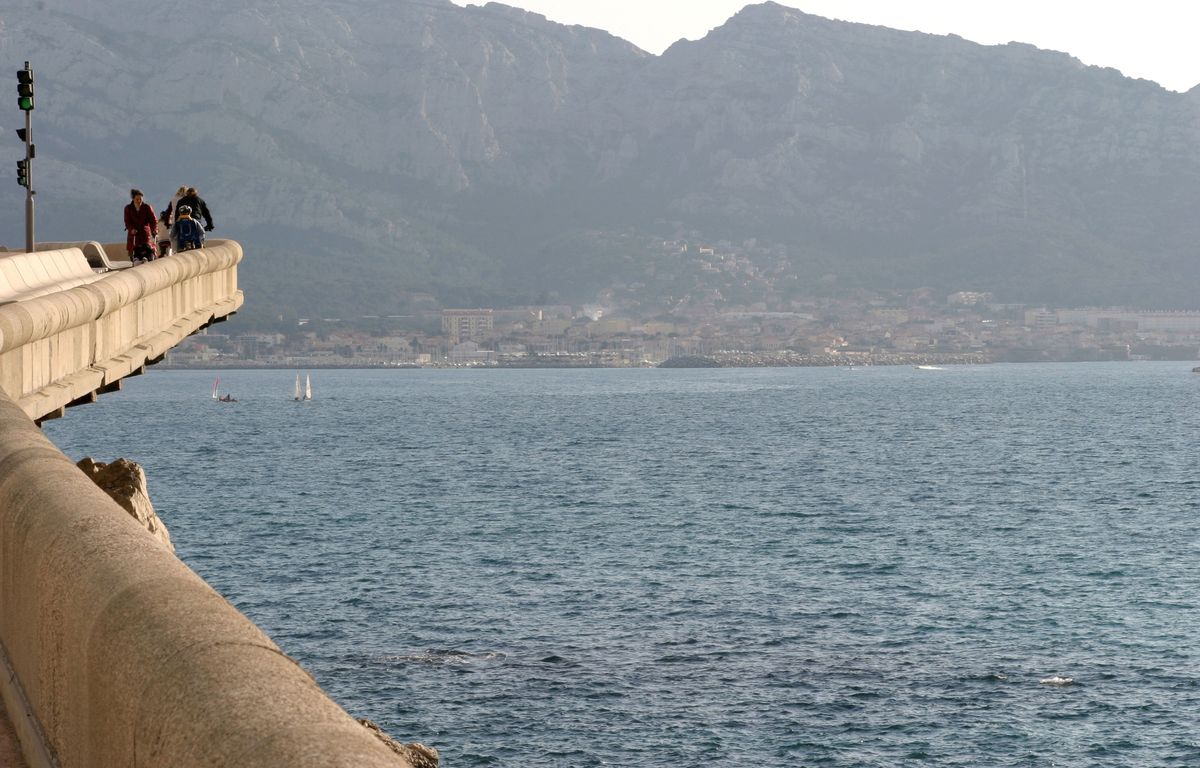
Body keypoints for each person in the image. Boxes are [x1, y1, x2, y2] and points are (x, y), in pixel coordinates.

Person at [124, 188, 158, 263]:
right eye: (137, 199)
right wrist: (131, 229)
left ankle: (148, 258)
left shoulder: (147, 207)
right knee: (134, 251)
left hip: (145, 234)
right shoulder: (128, 208)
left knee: (148, 249)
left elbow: (153, 220)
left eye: (140, 199)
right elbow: (127, 222)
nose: (139, 201)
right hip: (134, 235)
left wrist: (154, 230)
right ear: (133, 199)